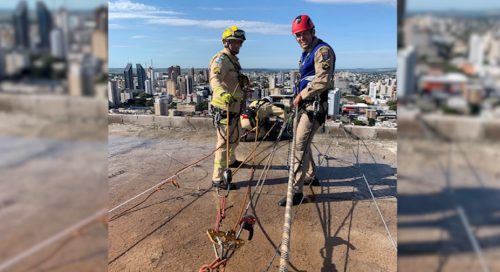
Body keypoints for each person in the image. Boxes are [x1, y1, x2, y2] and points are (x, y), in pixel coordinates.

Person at [278, 15, 336, 206]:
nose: (300, 38)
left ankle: (295, 192)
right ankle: (311, 175)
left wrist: (302, 95)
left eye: (303, 34)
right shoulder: (306, 53)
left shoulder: (322, 51)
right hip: (305, 107)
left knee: (298, 147)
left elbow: (322, 80)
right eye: (297, 35)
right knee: (300, 142)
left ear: (312, 31)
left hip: (313, 107)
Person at [209, 25, 249, 189]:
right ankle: (217, 179)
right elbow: (215, 79)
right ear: (226, 42)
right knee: (223, 144)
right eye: (234, 42)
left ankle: (231, 161)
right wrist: (222, 93)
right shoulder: (221, 60)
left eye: (239, 42)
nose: (237, 45)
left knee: (235, 137)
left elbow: (232, 81)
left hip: (234, 108)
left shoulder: (233, 60)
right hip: (223, 108)